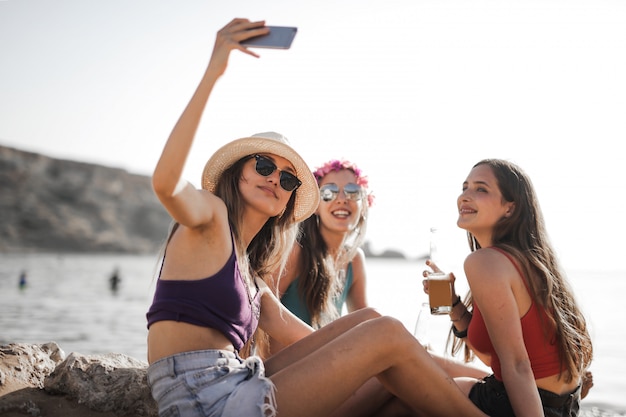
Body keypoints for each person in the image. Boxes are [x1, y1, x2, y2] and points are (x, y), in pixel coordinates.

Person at [144, 18, 490, 417]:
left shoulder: (250, 279)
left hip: (239, 383)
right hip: (203, 398)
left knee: (379, 332)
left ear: (289, 201)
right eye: (262, 165)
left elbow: (322, 342)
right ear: (237, 171)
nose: (275, 178)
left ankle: (488, 387)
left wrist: (476, 374)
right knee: (386, 335)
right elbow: (166, 183)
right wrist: (214, 71)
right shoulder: (211, 217)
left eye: (288, 178)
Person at [420, 159, 593, 417]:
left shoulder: (486, 262)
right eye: (465, 187)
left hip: (520, 404)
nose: (465, 195)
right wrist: (453, 304)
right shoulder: (528, 261)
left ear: (510, 208)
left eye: (481, 189)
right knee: (425, 361)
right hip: (562, 405)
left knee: (396, 373)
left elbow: (517, 365)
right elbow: (497, 360)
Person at [269, 159, 373, 333]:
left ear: (364, 206)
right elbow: (262, 317)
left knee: (383, 326)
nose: (341, 199)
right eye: (329, 192)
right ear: (316, 206)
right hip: (287, 359)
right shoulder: (295, 251)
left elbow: (366, 327)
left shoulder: (353, 260)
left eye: (352, 192)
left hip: (332, 355)